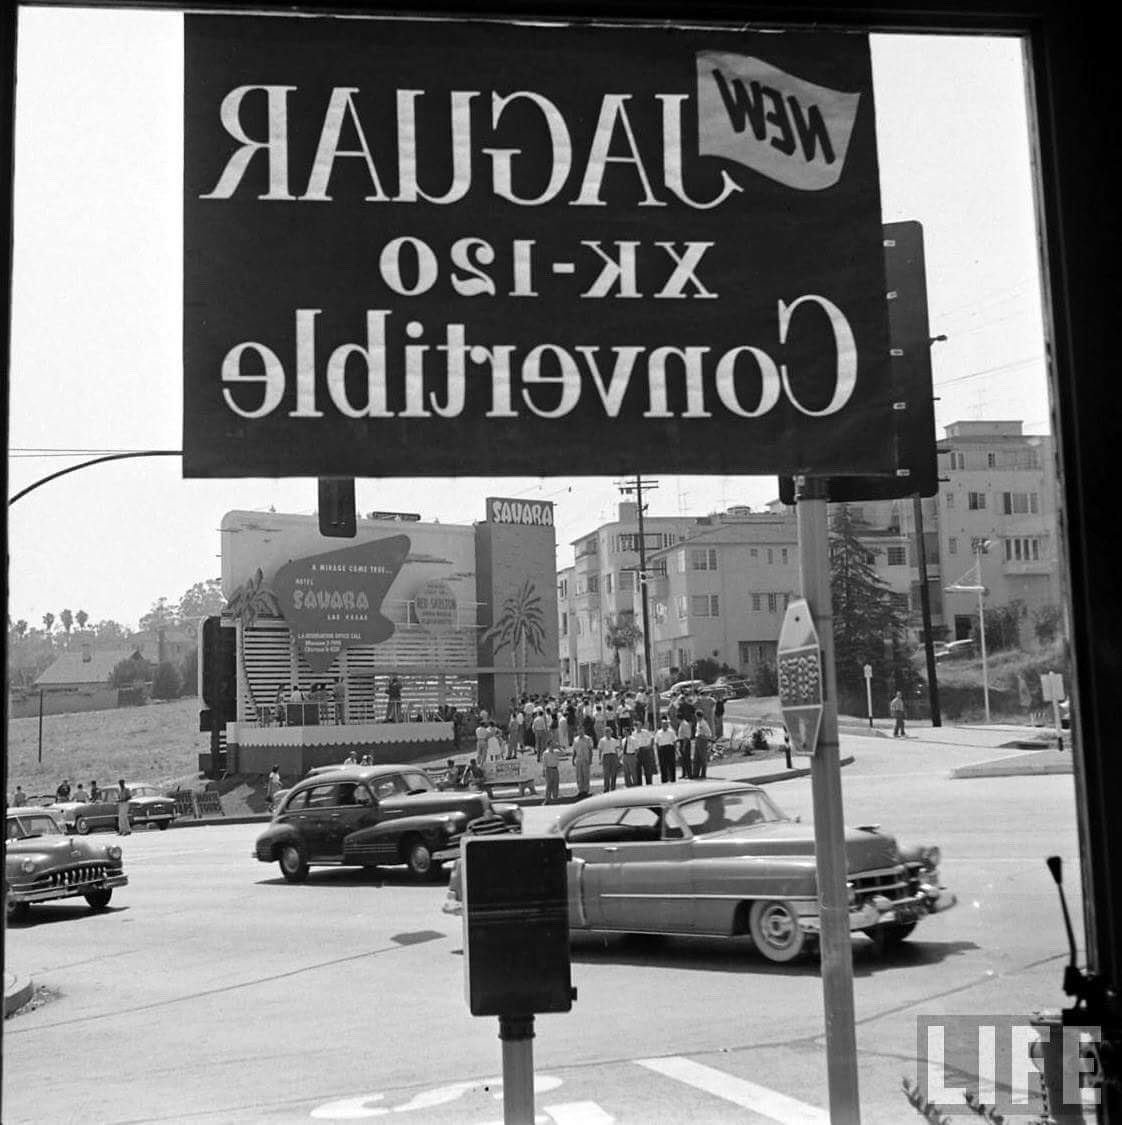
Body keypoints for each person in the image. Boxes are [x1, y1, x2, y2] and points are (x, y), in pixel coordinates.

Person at [655, 717, 678, 783]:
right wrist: (658, 750)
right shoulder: (658, 732)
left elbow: (674, 741)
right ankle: (664, 780)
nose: (664, 725)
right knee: (663, 765)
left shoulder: (671, 732)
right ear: (661, 725)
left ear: (667, 725)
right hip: (662, 749)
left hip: (669, 748)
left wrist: (675, 749)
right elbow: (656, 742)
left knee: (671, 764)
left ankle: (673, 779)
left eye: (665, 724)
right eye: (663, 724)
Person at [572, 728, 594, 798]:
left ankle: (586, 790)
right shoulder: (575, 739)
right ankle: (580, 790)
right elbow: (574, 750)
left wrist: (590, 759)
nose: (580, 732)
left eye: (582, 731)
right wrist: (573, 759)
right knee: (579, 775)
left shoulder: (588, 739)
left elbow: (590, 750)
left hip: (585, 759)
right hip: (578, 759)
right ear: (578, 731)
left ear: (584, 731)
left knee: (586, 775)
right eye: (579, 731)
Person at [597, 725, 620, 792]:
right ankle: (606, 788)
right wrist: (599, 759)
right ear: (604, 733)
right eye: (606, 732)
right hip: (606, 757)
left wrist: (617, 759)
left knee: (614, 773)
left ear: (611, 732)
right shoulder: (602, 740)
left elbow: (616, 750)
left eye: (609, 731)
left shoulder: (614, 740)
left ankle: (613, 788)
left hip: (613, 756)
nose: (608, 733)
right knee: (606, 774)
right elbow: (600, 750)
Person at [635, 720, 657, 785]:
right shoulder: (633, 733)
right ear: (635, 726)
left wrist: (650, 746)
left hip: (645, 750)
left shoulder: (645, 732)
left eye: (640, 725)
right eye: (638, 725)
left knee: (647, 768)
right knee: (638, 768)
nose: (639, 727)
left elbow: (652, 738)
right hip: (637, 751)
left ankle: (649, 783)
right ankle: (639, 784)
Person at [693, 715, 713, 779]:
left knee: (703, 757)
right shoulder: (698, 723)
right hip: (697, 739)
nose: (696, 718)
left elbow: (709, 732)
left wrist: (705, 737)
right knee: (696, 757)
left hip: (702, 740)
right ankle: (696, 773)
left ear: (699, 716)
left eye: (697, 716)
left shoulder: (704, 723)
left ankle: (703, 774)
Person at [677, 715, 694, 780]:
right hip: (681, 742)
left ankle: (690, 774)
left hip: (685, 742)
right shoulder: (681, 724)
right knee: (683, 760)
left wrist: (684, 746)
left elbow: (687, 736)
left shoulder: (685, 724)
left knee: (687, 759)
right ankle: (684, 774)